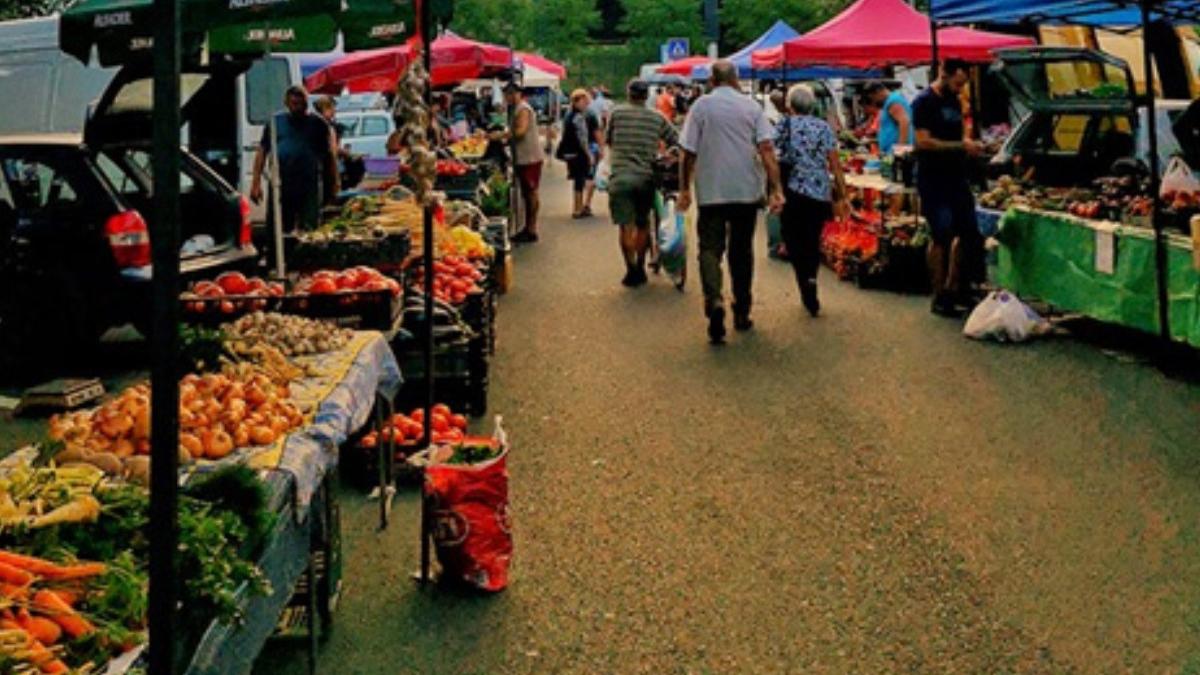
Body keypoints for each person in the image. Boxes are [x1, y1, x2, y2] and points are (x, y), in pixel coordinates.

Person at [679, 60, 786, 344]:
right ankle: (742, 310)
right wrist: (776, 188)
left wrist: (684, 188)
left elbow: (687, 151)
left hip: (711, 190)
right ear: (736, 79)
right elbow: (766, 149)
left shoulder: (701, 106)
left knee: (710, 249)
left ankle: (714, 300)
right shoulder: (752, 107)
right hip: (745, 190)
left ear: (712, 80)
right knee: (741, 251)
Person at [912, 59, 986, 317]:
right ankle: (939, 295)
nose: (960, 88)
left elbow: (956, 135)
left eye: (963, 84)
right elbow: (923, 142)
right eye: (958, 83)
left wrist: (969, 143)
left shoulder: (954, 101)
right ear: (944, 74)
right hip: (933, 179)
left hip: (957, 178)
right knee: (941, 235)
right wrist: (960, 146)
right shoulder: (923, 102)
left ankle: (955, 287)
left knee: (968, 233)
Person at [774, 84, 849, 317]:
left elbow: (772, 156)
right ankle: (812, 277)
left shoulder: (784, 125)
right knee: (813, 238)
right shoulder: (823, 127)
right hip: (819, 191)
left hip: (793, 191)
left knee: (794, 240)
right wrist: (843, 192)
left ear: (790, 104)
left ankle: (804, 281)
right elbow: (834, 162)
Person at [606, 79, 680, 287]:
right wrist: (669, 155)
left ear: (629, 93)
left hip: (620, 177)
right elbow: (677, 140)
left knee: (625, 226)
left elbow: (609, 140)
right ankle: (640, 265)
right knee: (642, 224)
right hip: (646, 177)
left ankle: (630, 270)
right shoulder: (657, 117)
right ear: (647, 96)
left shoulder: (617, 114)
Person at [250, 85, 338, 234]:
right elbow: (262, 151)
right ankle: (278, 255)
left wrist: (334, 184)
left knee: (310, 229)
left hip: (309, 185)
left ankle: (306, 256)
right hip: (281, 184)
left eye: (301, 103)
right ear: (286, 103)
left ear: (306, 103)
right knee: (279, 228)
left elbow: (329, 157)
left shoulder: (318, 124)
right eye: (293, 103)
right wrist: (256, 182)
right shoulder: (276, 122)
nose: (297, 107)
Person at [505, 82, 545, 243]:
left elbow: (521, 131)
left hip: (529, 157)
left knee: (531, 192)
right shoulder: (518, 108)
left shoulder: (523, 109)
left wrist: (503, 135)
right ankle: (528, 227)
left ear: (514, 94)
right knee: (527, 193)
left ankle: (531, 229)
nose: (506, 99)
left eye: (507, 95)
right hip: (524, 157)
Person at [559, 89, 602, 219]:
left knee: (578, 180)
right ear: (577, 101)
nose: (586, 104)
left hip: (570, 152)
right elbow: (582, 138)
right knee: (580, 179)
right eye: (584, 101)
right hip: (579, 152)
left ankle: (577, 207)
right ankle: (578, 208)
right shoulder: (579, 117)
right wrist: (589, 154)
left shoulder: (568, 115)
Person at [862, 82, 913, 156]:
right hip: (891, 152)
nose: (874, 101)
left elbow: (904, 122)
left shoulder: (892, 101)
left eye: (873, 98)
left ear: (878, 92)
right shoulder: (891, 100)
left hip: (897, 153)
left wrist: (900, 151)